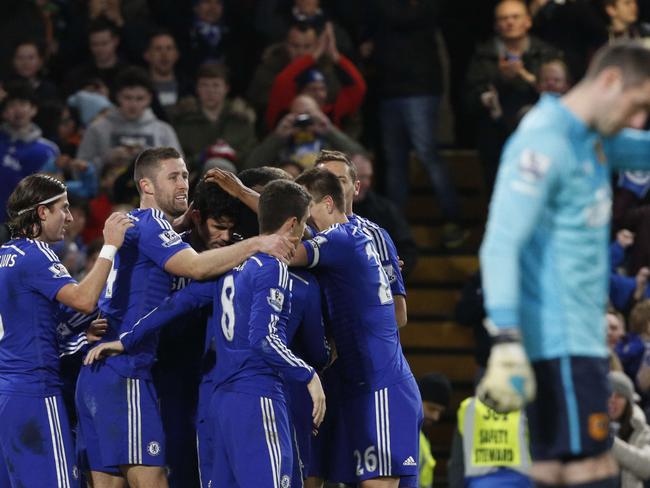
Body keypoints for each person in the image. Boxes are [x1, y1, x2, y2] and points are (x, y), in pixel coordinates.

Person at [478, 40, 650, 487]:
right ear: (610, 81)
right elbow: (500, 243)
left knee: (555, 471)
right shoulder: (544, 138)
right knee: (592, 472)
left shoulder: (589, 136)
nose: (638, 120)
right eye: (638, 105)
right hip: (559, 340)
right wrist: (506, 336)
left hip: (576, 339)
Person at [74, 146, 294, 487]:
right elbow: (193, 267)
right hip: (127, 371)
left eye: (185, 175)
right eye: (173, 176)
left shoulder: (136, 227)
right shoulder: (151, 226)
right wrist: (258, 243)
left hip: (99, 372)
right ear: (146, 185)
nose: (183, 184)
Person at [292, 167, 422, 488]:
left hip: (381, 386)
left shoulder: (338, 240)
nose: (301, 218)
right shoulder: (354, 238)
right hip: (362, 383)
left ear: (327, 203)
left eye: (305, 207)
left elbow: (287, 251)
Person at [0, 174, 132, 488]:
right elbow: (85, 301)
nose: (70, 218)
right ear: (42, 212)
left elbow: (34, 321)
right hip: (34, 391)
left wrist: (76, 338)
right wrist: (110, 247)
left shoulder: (5, 255)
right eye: (64, 208)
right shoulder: (37, 254)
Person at [76, 67, 182, 171]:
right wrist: (106, 159)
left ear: (149, 98)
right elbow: (78, 170)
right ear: (118, 96)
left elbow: (179, 172)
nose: (133, 105)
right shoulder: (97, 129)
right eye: (127, 98)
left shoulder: (164, 131)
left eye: (139, 98)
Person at [0, 81, 60, 224]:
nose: (18, 110)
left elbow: (51, 193)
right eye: (12, 105)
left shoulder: (47, 150)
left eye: (22, 104)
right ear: (4, 112)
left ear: (34, 109)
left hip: (21, 225)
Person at [351, 153, 418, 277]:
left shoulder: (386, 209)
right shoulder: (332, 209)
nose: (365, 183)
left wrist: (391, 276)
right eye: (360, 177)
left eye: (368, 177)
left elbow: (407, 249)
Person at [608, 371, 650, 488]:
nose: (612, 400)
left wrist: (609, 441)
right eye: (609, 394)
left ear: (628, 403)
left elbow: (646, 466)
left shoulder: (641, 430)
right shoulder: (589, 428)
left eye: (619, 396)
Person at [417, 372, 452, 488]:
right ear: (417, 399)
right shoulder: (405, 436)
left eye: (440, 412)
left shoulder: (421, 437)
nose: (436, 417)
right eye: (431, 408)